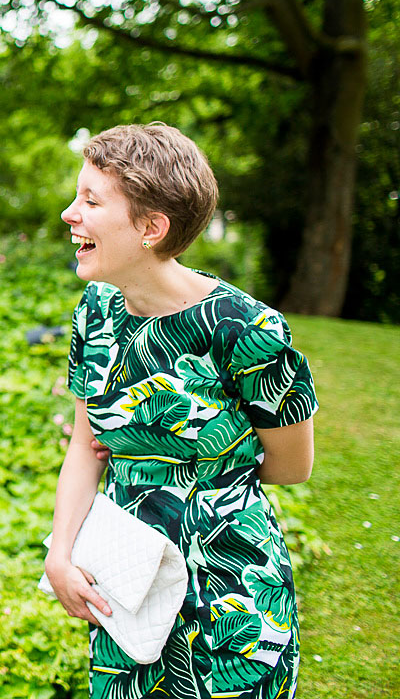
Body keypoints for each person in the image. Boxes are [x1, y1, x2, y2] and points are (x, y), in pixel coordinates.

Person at [47, 123, 317, 698]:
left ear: (151, 228)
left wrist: (193, 472)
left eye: (91, 201)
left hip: (232, 594)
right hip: (126, 584)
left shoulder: (245, 328)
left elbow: (292, 464)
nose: (70, 214)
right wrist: (61, 555)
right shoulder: (93, 311)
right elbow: (82, 446)